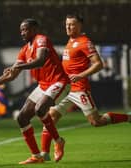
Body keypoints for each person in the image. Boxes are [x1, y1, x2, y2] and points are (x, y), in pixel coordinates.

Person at [0, 18, 69, 164]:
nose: (22, 33)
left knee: (40, 109)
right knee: (21, 117)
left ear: (34, 29)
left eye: (25, 29)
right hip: (43, 85)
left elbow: (40, 60)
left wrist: (19, 66)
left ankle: (59, 141)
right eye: (21, 30)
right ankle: (36, 156)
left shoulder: (42, 40)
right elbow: (11, 75)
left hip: (58, 81)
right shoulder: (24, 50)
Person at [40, 13, 131, 159]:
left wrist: (81, 75)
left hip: (79, 88)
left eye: (72, 24)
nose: (68, 27)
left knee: (96, 122)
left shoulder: (84, 42)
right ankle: (44, 154)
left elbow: (98, 64)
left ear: (80, 25)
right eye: (66, 25)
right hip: (66, 88)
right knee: (50, 117)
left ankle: (128, 118)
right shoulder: (70, 41)